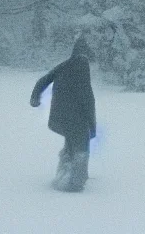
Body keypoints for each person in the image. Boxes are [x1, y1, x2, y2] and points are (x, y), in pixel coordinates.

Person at [30, 37, 97, 191]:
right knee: (81, 147)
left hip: (59, 117)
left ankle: (64, 174)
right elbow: (87, 99)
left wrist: (35, 97)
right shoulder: (82, 67)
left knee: (71, 143)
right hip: (76, 117)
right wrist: (92, 125)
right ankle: (75, 183)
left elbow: (43, 80)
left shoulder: (64, 65)